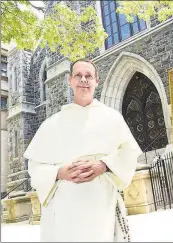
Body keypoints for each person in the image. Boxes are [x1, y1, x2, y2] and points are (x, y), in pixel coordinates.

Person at [24, 58, 142, 242]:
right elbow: (35, 165)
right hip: (65, 211)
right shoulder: (51, 124)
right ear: (70, 81)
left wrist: (104, 164)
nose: (83, 80)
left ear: (96, 81)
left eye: (88, 76)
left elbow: (128, 153)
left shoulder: (112, 118)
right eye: (78, 75)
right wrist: (60, 172)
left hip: (102, 206)